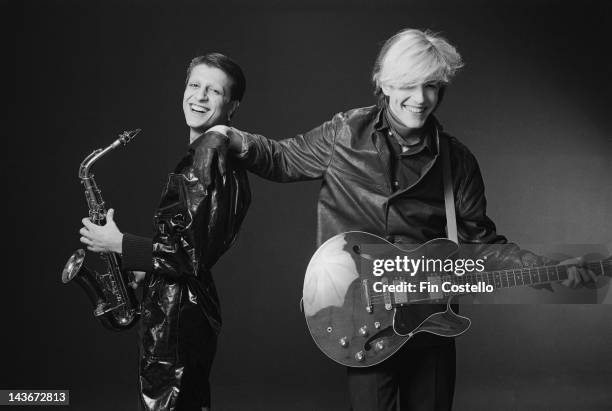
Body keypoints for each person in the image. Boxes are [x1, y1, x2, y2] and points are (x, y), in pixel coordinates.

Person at [200, 29, 596, 410]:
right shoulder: (345, 133)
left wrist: (545, 268)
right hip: (361, 316)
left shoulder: (457, 161)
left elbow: (482, 245)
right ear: (385, 84)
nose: (421, 99)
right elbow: (282, 158)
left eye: (432, 87)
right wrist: (226, 135)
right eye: (408, 85)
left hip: (433, 313)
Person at [78, 53, 251, 411]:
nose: (199, 97)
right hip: (188, 306)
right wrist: (146, 268)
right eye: (194, 85)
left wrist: (119, 243)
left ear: (231, 107)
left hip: (177, 314)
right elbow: (194, 245)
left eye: (213, 91)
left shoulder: (204, 156)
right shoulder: (222, 157)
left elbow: (187, 253)